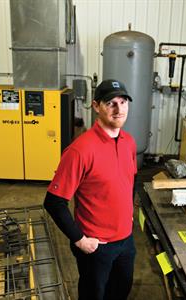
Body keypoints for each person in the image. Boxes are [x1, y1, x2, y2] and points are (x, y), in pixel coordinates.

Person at [44, 79, 137, 300]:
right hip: (97, 247)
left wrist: (129, 215)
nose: (118, 109)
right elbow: (54, 202)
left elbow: (130, 181)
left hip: (126, 241)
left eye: (123, 102)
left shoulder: (129, 142)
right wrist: (79, 240)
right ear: (96, 106)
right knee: (93, 295)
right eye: (111, 103)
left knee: (120, 292)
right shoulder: (80, 150)